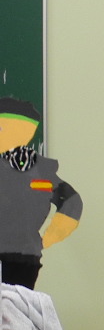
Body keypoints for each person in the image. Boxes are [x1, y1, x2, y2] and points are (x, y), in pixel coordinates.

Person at [0, 97, 81, 290]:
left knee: (17, 303)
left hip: (23, 256)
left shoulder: (39, 168)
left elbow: (71, 201)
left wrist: (51, 235)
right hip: (25, 254)